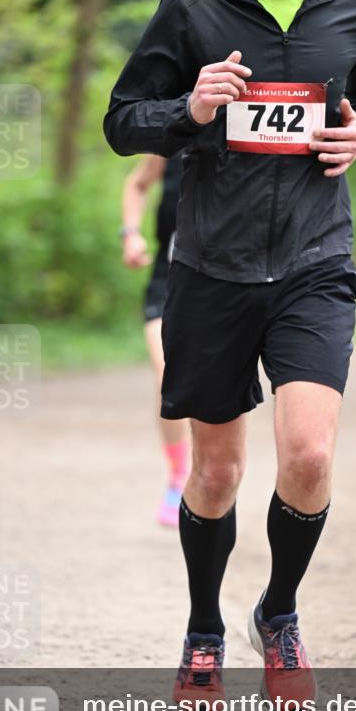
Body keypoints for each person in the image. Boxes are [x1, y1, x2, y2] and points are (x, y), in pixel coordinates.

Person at [104, 0, 356, 707]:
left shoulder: (351, 4)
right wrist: (192, 107)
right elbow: (125, 121)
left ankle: (278, 612)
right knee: (218, 473)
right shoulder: (192, 4)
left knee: (307, 452)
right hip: (212, 267)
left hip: (314, 261)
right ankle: (202, 630)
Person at [120, 151, 190, 527]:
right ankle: (179, 476)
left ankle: (215, 477)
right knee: (168, 376)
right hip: (169, 276)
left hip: (230, 278)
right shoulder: (178, 129)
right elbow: (138, 182)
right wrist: (131, 234)